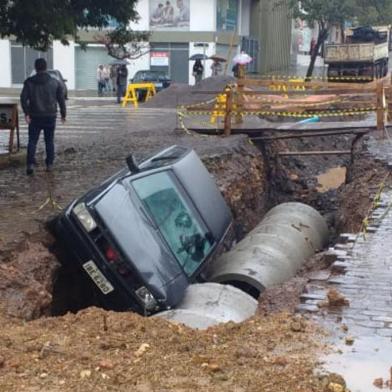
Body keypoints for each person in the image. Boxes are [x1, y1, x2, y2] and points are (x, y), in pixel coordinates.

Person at [20, 58, 66, 176]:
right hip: (50, 116)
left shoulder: (29, 82)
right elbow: (61, 100)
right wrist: (63, 114)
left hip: (34, 116)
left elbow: (23, 99)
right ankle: (49, 164)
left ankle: (30, 164)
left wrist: (26, 113)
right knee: (49, 141)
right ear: (45, 68)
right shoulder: (55, 82)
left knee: (32, 141)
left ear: (36, 68)